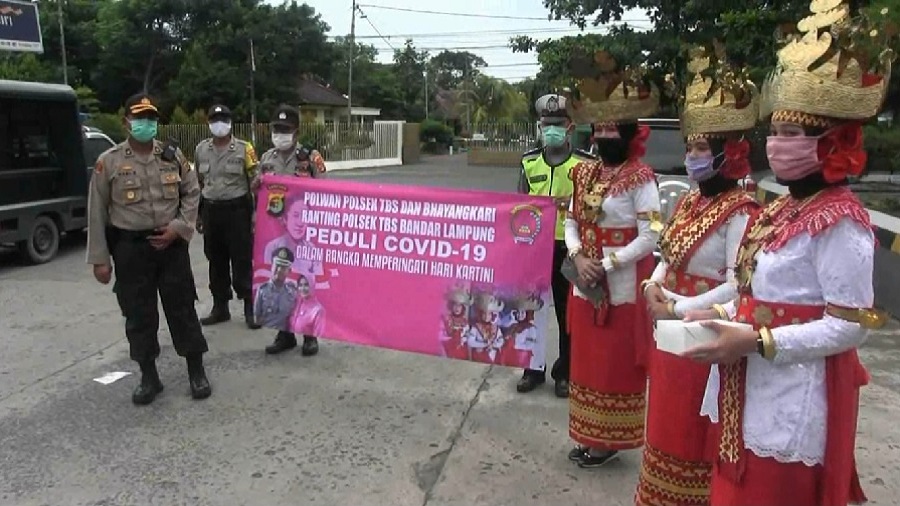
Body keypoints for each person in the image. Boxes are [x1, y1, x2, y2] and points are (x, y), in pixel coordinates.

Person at [681, 4, 891, 504]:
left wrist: (757, 342)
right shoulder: (778, 210)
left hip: (792, 396)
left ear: (832, 143)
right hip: (743, 385)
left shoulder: (841, 222)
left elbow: (850, 324)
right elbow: (754, 292)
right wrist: (715, 313)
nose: (776, 145)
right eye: (773, 133)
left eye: (792, 135)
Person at [634, 44, 760, 506]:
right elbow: (667, 249)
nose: (692, 156)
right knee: (664, 418)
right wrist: (652, 283)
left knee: (693, 423)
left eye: (702, 148)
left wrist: (678, 308)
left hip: (702, 324)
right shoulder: (690, 200)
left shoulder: (741, 211)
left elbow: (738, 281)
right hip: (666, 318)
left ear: (729, 154)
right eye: (690, 147)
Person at [562, 50, 663, 468]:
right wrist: (577, 254)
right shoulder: (584, 173)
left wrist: (604, 264)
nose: (604, 136)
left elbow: (651, 234)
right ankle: (587, 436)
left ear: (628, 133)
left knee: (613, 366)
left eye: (611, 129)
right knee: (585, 364)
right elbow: (570, 220)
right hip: (584, 284)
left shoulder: (643, 179)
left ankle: (608, 442)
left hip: (619, 289)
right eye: (598, 128)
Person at [86, 93, 211, 405]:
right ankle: (148, 376)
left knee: (182, 309)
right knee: (139, 314)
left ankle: (196, 371)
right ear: (126, 121)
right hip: (131, 249)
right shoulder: (110, 162)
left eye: (151, 118)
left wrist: (179, 228)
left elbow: (192, 191)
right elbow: (97, 212)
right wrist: (100, 260)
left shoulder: (172, 156)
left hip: (170, 246)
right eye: (139, 118)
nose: (146, 124)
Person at [517, 94, 595, 397]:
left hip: (569, 248)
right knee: (531, 311)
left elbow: (592, 206)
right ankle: (531, 370)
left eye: (557, 124)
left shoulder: (584, 164)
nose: (551, 129)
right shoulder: (528, 161)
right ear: (539, 125)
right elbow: (518, 204)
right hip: (533, 247)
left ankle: (565, 372)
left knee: (567, 313)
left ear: (570, 126)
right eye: (546, 124)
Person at [257, 105, 326, 356]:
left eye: (285, 130)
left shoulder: (310, 157)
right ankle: (284, 333)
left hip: (305, 230)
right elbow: (259, 193)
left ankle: (309, 335)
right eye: (277, 129)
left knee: (304, 281)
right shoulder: (266, 159)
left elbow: (327, 190)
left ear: (296, 132)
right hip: (276, 230)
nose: (280, 134)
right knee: (280, 281)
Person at [195, 104, 261, 329]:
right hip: (212, 211)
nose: (219, 124)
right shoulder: (201, 150)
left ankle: (250, 308)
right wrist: (199, 215)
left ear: (231, 122)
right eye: (215, 119)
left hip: (237, 211)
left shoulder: (244, 149)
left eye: (223, 119)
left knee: (242, 260)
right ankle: (220, 306)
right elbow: (199, 183)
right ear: (208, 122)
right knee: (216, 260)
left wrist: (255, 214)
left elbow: (257, 183)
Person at [254, 247, 299, 330]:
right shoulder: (262, 290)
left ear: (289, 271)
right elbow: (257, 318)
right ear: (271, 267)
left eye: (283, 267)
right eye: (277, 265)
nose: (279, 270)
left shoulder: (293, 293)